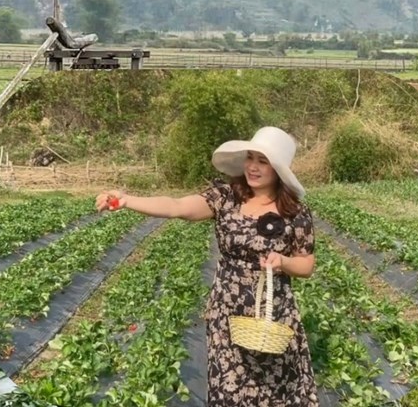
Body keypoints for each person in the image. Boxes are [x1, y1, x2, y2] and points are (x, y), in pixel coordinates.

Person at [96, 126, 320, 407]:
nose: (252, 167)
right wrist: (128, 200)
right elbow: (177, 206)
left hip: (272, 314)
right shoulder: (226, 198)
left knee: (276, 393)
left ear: (278, 169)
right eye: (250, 158)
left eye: (262, 161)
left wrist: (283, 262)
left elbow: (306, 265)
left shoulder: (295, 213)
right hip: (227, 310)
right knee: (229, 391)